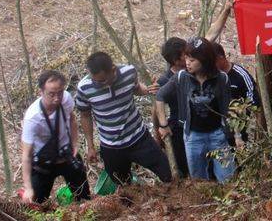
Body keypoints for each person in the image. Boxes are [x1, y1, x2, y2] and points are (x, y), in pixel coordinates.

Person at [76, 51, 171, 186]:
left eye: (102, 80)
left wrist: (149, 89)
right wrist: (90, 146)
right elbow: (85, 115)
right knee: (123, 185)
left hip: (139, 138)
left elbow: (136, 89)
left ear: (113, 69)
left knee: (167, 173)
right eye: (95, 80)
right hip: (111, 147)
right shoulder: (84, 87)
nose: (98, 84)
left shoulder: (128, 72)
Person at [156, 37, 236, 182]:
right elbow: (160, 96)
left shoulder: (221, 79)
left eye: (192, 60)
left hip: (217, 135)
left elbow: (228, 109)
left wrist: (236, 135)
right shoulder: (182, 77)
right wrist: (163, 125)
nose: (187, 63)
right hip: (193, 136)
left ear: (204, 60)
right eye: (186, 58)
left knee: (227, 177)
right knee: (198, 180)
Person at [20, 70, 90, 204]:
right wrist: (28, 188)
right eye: (51, 94)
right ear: (41, 92)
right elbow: (26, 154)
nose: (57, 98)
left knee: (84, 197)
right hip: (43, 162)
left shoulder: (66, 99)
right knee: (37, 204)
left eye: (60, 93)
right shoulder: (33, 118)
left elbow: (72, 119)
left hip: (67, 155)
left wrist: (75, 144)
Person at [154, 37, 189, 178]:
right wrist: (159, 132)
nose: (190, 55)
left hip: (200, 124)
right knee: (184, 166)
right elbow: (157, 108)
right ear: (176, 60)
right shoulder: (164, 80)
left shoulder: (195, 67)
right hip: (179, 129)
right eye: (185, 54)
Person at [214, 42, 260, 145]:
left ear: (221, 57)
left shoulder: (240, 75)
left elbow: (254, 100)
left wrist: (239, 110)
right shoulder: (211, 76)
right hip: (216, 130)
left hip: (237, 129)